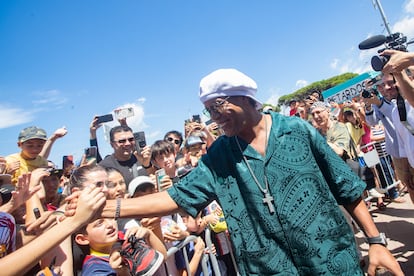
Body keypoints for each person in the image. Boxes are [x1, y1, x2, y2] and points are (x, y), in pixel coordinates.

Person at [71, 68, 402, 275]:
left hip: (333, 262)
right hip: (268, 268)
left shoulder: (297, 131)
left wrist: (376, 240)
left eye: (219, 107)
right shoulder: (218, 155)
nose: (214, 117)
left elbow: (345, 186)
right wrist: (106, 208)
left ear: (246, 99)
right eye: (208, 110)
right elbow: (177, 197)